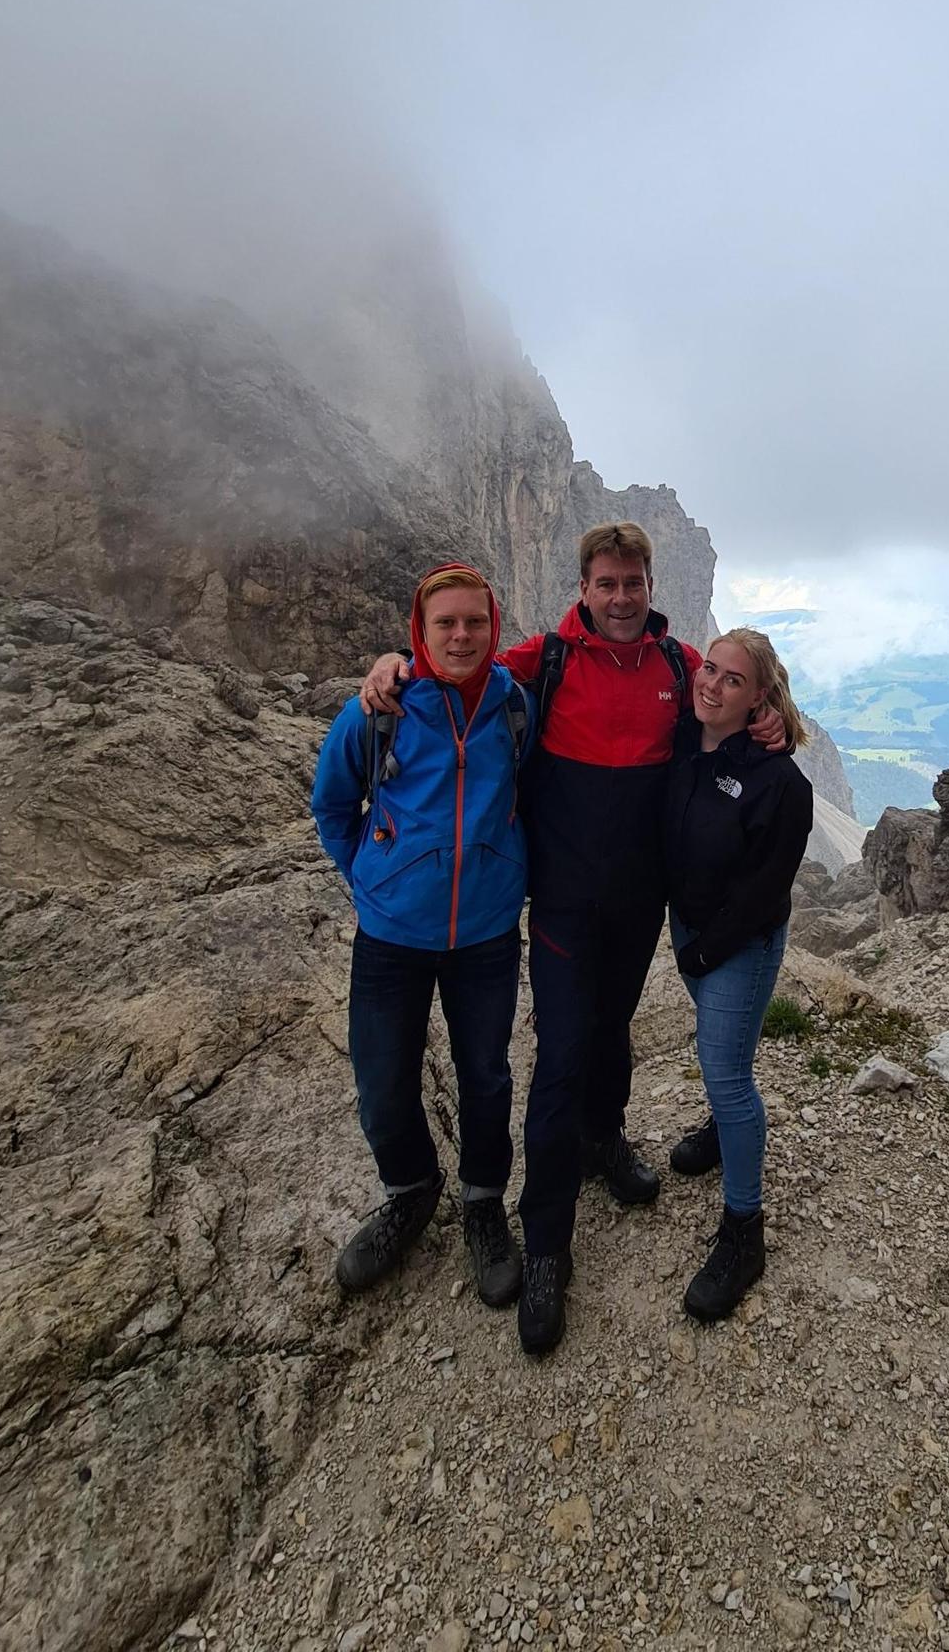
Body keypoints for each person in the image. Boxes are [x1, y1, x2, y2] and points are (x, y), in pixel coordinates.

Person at [360, 523, 786, 1354]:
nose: (621, 597)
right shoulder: (544, 661)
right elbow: (458, 668)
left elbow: (732, 707)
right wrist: (393, 664)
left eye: (633, 582)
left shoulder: (680, 669)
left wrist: (769, 721)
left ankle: (603, 1137)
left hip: (638, 903)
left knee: (611, 1029)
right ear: (583, 588)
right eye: (606, 583)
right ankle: (548, 1245)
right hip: (560, 905)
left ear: (651, 585)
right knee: (559, 1057)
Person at [312, 563, 534, 1307]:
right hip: (391, 934)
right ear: (421, 631)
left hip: (486, 932)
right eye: (446, 623)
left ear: (492, 627)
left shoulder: (515, 707)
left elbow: (528, 792)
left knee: (486, 1076)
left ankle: (483, 1204)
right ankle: (409, 1191)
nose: (461, 635)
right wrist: (373, 876)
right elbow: (332, 804)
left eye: (475, 621)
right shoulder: (380, 709)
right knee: (382, 1079)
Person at [664, 628, 813, 1320]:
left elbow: (763, 891)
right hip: (690, 927)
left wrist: (704, 951)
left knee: (726, 1073)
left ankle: (744, 1231)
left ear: (759, 699)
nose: (712, 685)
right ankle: (725, 1133)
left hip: (738, 943)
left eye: (733, 680)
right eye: (709, 669)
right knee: (722, 1055)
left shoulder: (780, 782)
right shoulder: (682, 737)